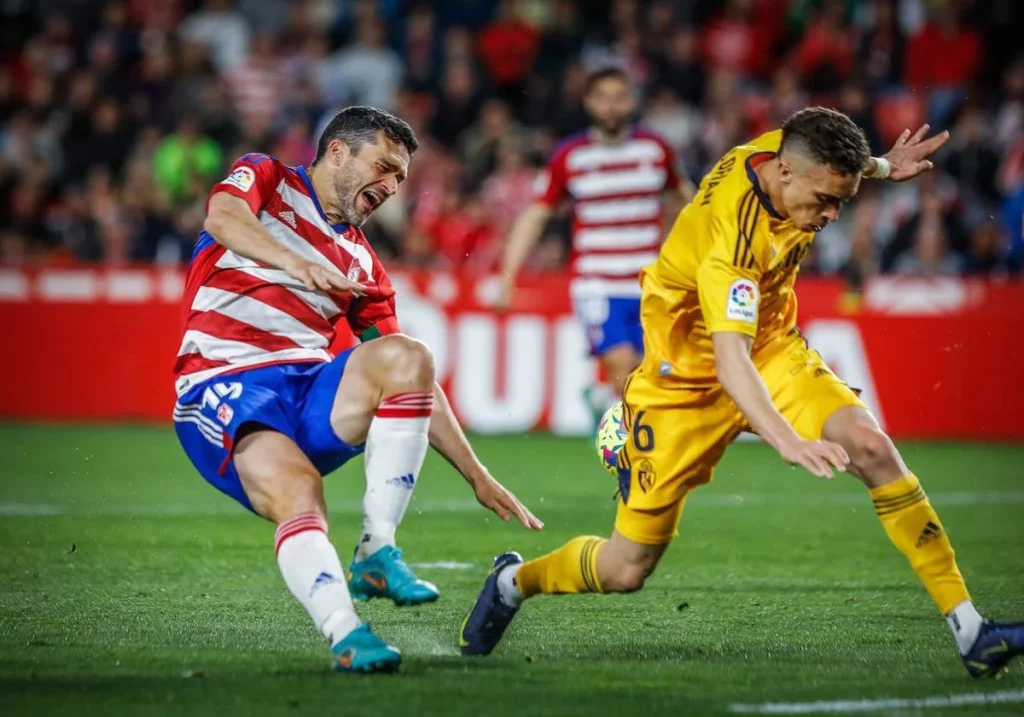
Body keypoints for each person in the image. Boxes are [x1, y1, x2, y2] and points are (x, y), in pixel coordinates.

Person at [460, 108, 1024, 678]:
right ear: (783, 174)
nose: (830, 214)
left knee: (872, 447)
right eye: (825, 200)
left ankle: (971, 630)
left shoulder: (786, 153)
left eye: (842, 201)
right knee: (624, 569)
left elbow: (819, 162)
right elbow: (729, 365)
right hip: (686, 384)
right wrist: (785, 439)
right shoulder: (731, 241)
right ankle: (513, 583)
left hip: (772, 350)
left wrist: (880, 166)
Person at [172, 106, 542, 674]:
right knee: (300, 491)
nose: (392, 187)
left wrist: (477, 473)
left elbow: (414, 383)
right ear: (339, 152)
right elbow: (222, 216)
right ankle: (346, 632)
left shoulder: (365, 266)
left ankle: (377, 547)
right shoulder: (268, 179)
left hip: (308, 389)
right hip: (225, 381)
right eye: (385, 167)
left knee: (409, 354)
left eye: (400, 178)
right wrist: (297, 263)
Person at [496, 67, 695, 427]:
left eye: (619, 97)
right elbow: (534, 216)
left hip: (652, 280)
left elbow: (687, 201)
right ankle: (635, 461)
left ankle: (603, 401)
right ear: (589, 102)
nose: (611, 106)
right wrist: (507, 277)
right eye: (602, 98)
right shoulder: (570, 156)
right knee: (622, 367)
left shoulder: (656, 150)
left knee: (651, 376)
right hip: (597, 282)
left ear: (632, 101)